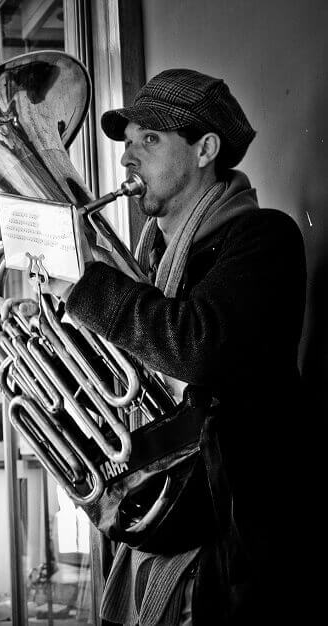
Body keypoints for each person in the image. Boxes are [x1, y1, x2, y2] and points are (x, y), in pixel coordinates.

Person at [49, 69, 307, 625]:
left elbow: (199, 344)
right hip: (157, 534)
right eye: (127, 142)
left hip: (235, 549)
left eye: (150, 139)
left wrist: (90, 288)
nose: (126, 159)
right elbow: (118, 391)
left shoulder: (263, 240)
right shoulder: (145, 269)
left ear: (205, 148)